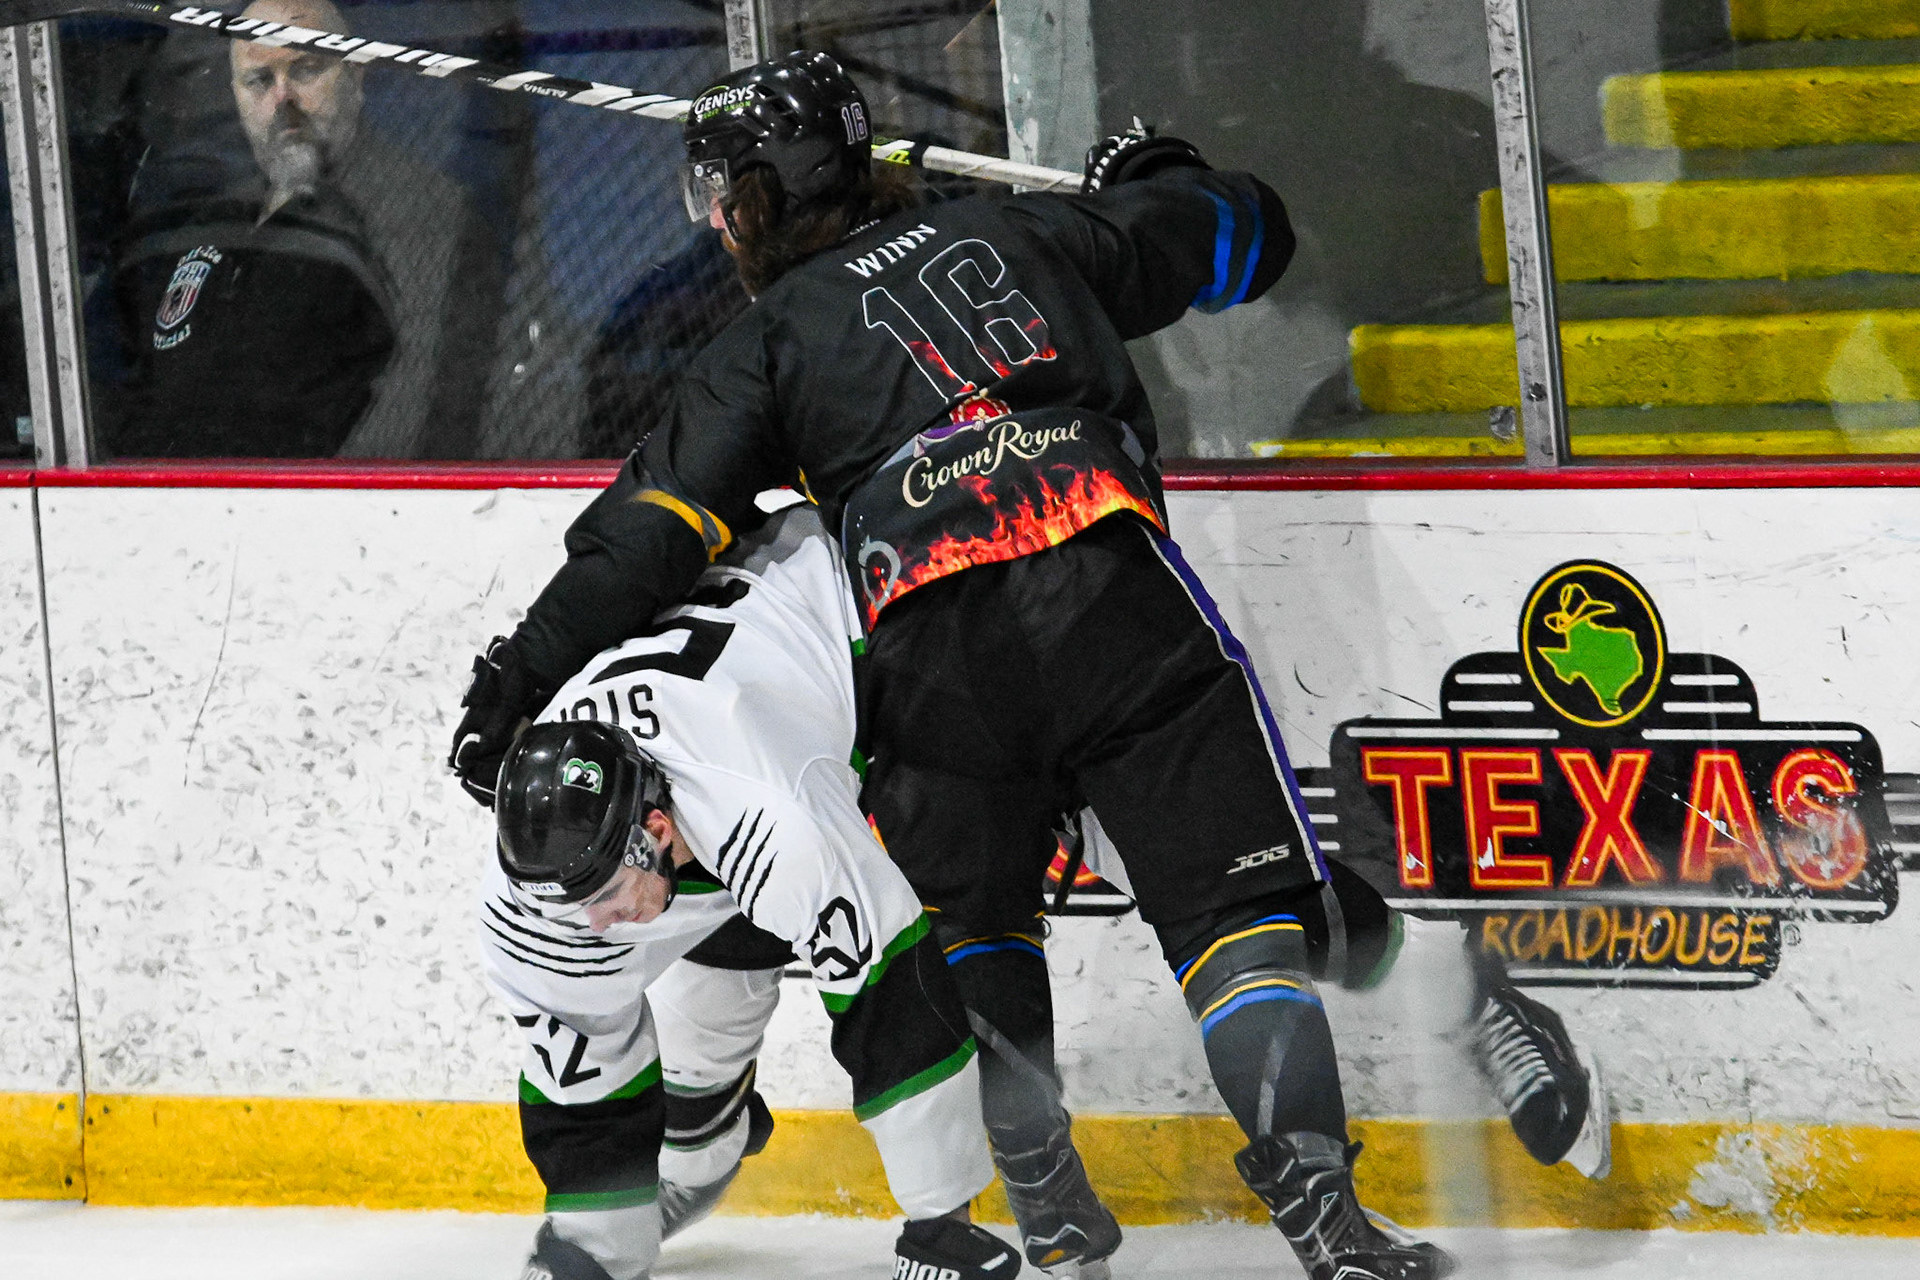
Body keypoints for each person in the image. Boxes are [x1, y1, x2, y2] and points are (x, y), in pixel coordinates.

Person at [448, 51, 1456, 1280]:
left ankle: (1049, 1213)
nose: (713, 224)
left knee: (971, 926)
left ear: (766, 193)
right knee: (1234, 919)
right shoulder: (1023, 232)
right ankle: (1332, 1232)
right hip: (1112, 596)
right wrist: (1159, 179)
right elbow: (1251, 236)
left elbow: (642, 540)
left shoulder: (765, 343)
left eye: (720, 194)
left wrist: (522, 672)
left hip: (932, 656)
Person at [477, 498, 1020, 1280]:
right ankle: (688, 1164)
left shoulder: (774, 816)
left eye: (605, 891)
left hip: (854, 632)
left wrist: (943, 1224)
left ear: (654, 829)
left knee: (895, 902)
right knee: (692, 1077)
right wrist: (590, 1251)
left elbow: (888, 992)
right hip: (722, 744)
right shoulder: (534, 890)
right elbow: (577, 1050)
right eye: (574, 902)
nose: (596, 924)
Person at [104, 0, 496, 459]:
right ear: (235, 94)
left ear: (356, 77)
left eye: (307, 70)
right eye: (259, 80)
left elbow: (416, 407)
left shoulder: (423, 214)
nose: (283, 98)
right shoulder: (210, 219)